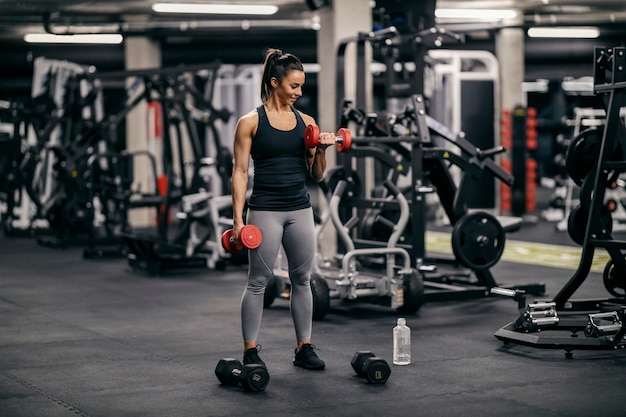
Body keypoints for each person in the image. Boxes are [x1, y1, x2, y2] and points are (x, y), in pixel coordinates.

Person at [231, 48, 335, 371]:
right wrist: (237, 220)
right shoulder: (250, 122)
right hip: (265, 210)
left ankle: (304, 348)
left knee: (302, 279)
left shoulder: (307, 123)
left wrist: (321, 149)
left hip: (300, 209)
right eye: (293, 86)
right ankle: (250, 351)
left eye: (301, 87)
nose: (299, 93)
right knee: (258, 281)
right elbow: (240, 172)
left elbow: (316, 174)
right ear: (275, 83)